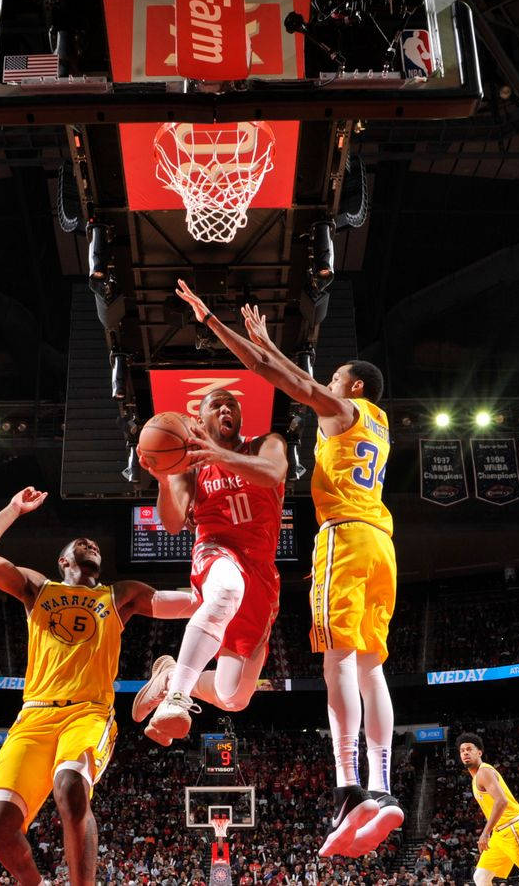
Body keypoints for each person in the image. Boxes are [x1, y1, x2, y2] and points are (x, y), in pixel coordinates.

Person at [171, 281, 401, 855]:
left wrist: (240, 338)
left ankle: (349, 789)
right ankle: (384, 788)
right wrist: (248, 338)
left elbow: (285, 380)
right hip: (383, 542)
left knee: (339, 663)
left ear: (351, 385)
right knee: (373, 668)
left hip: (345, 539)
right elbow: (282, 372)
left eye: (334, 377)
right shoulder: (378, 425)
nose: (326, 385)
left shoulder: (344, 410)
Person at [0, 486, 203, 886]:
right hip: (35, 714)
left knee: (71, 786)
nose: (91, 544)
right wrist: (12, 508)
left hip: (88, 712)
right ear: (63, 561)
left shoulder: (119, 595)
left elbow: (189, 604)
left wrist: (226, 589)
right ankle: (34, 883)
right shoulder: (38, 589)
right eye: (81, 543)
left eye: (94, 545)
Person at [132, 381, 288, 746]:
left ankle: (171, 676)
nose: (225, 410)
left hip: (261, 573)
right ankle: (177, 697)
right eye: (216, 405)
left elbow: (273, 474)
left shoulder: (267, 444)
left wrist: (215, 453)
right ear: (198, 419)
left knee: (234, 696)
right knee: (228, 588)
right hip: (216, 551)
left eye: (231, 405)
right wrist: (162, 480)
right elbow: (172, 523)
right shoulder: (189, 468)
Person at [457, 732, 519, 886]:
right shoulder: (475, 777)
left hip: (513, 829)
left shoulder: (484, 771)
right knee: (481, 877)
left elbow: (501, 801)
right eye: (462, 751)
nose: (465, 753)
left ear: (479, 752)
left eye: (469, 749)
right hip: (499, 834)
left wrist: (485, 832)